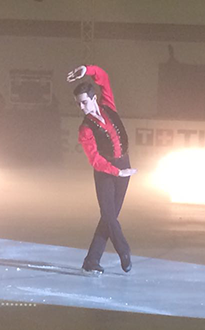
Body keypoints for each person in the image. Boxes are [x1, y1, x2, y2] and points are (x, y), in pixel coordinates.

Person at [67, 65, 137, 275]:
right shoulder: (85, 128)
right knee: (108, 215)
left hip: (124, 164)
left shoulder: (109, 105)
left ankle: (91, 260)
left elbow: (104, 78)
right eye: (78, 104)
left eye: (84, 102)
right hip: (106, 173)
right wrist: (117, 173)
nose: (82, 107)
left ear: (94, 98)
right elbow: (95, 159)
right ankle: (124, 251)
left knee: (110, 217)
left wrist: (87, 70)